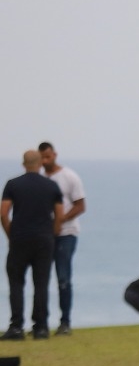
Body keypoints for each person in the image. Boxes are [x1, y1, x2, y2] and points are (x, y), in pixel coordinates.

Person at [1, 150, 65, 340]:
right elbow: (59, 216)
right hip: (43, 240)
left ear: (23, 164)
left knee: (16, 282)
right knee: (41, 283)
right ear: (40, 164)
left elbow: (3, 213)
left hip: (19, 238)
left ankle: (16, 327)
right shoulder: (52, 186)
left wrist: (10, 234)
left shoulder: (13, 185)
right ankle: (41, 327)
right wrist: (51, 235)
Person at [38, 143, 85, 336]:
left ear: (54, 155)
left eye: (48, 157)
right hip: (45, 234)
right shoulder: (40, 179)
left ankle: (65, 321)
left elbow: (80, 205)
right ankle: (41, 322)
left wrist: (61, 219)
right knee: (42, 278)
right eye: (42, 158)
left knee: (63, 277)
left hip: (67, 234)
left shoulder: (69, 177)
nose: (45, 161)